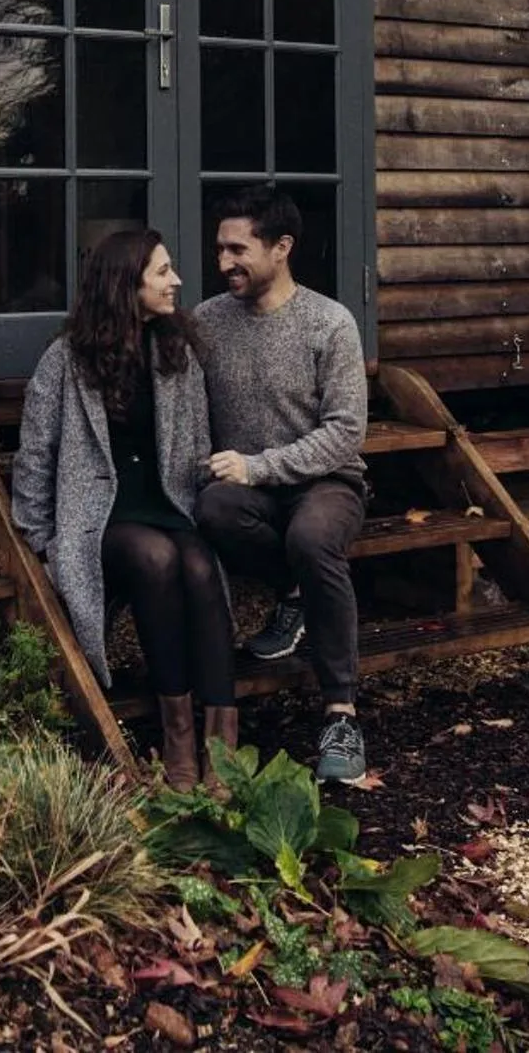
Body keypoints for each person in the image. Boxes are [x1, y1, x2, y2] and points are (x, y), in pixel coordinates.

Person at [9, 228, 238, 788]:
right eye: (162, 272)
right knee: (157, 559)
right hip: (100, 519)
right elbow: (36, 452)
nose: (176, 281)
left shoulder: (176, 350)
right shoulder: (64, 361)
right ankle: (177, 737)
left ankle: (223, 745)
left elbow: (199, 439)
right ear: (124, 283)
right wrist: (39, 538)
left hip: (169, 505)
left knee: (201, 568)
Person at [189, 185, 371, 783]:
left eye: (238, 250)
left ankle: (340, 713)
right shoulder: (209, 322)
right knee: (214, 509)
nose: (223, 264)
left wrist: (260, 465)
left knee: (314, 535)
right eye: (220, 250)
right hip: (248, 491)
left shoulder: (329, 324)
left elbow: (345, 433)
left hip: (325, 482)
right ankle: (294, 594)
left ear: (282, 248)